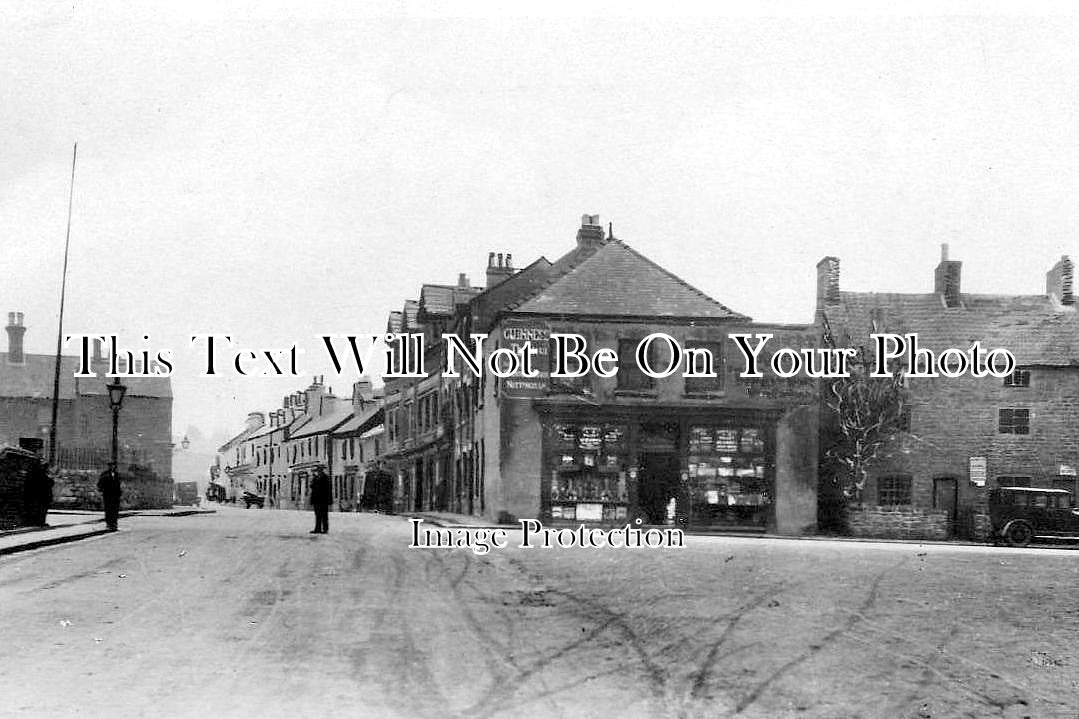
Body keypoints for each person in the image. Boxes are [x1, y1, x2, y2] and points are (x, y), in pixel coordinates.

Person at [98, 464, 122, 531]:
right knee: (108, 510)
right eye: (111, 465)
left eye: (113, 465)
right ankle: (109, 524)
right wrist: (102, 490)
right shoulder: (104, 474)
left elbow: (118, 484)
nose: (112, 467)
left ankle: (114, 523)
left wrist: (119, 493)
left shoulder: (116, 474)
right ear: (108, 466)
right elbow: (100, 484)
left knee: (115, 510)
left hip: (115, 495)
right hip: (108, 495)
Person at [309, 465, 331, 534]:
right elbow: (312, 486)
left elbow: (327, 489)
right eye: (318, 470)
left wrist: (328, 500)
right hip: (316, 499)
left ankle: (325, 529)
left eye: (319, 470)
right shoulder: (315, 478)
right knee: (317, 515)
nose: (318, 472)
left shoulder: (325, 478)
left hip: (323, 499)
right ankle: (317, 528)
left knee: (324, 515)